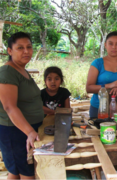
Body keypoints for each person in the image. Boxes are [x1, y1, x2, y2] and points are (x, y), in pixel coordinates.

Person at [0, 32, 44, 180]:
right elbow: (9, 107)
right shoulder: (7, 72)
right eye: (20, 48)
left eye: (29, 47)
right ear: (10, 51)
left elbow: (29, 101)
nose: (26, 51)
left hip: (24, 131)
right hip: (16, 132)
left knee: (17, 171)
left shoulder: (22, 70)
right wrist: (30, 131)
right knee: (25, 172)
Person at [86, 31, 117, 118]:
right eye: (110, 44)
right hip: (99, 110)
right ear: (105, 45)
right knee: (99, 131)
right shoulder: (97, 63)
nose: (114, 47)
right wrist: (110, 85)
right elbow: (89, 88)